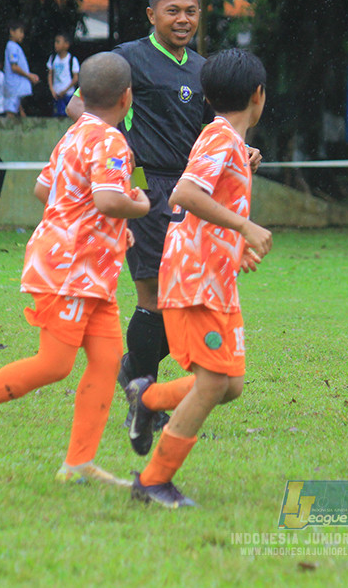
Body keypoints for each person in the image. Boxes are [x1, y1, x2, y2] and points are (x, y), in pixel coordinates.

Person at [0, 52, 150, 487]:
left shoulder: (73, 135)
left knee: (105, 362)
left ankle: (78, 463)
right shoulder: (110, 143)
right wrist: (139, 204)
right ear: (127, 98)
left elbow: (43, 187)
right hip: (71, 270)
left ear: (82, 95)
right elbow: (108, 199)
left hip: (94, 274)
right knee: (55, 364)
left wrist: (96, 218)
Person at [66, 0, 261, 409]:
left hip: (193, 189)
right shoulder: (128, 59)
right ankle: (145, 396)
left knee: (181, 302)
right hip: (146, 189)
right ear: (152, 14)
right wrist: (118, 145)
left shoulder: (203, 69)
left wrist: (240, 149)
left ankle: (134, 378)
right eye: (172, 11)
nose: (183, 19)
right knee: (154, 297)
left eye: (190, 11)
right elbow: (80, 105)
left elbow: (217, 127)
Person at [125, 48, 271, 508]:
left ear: (207, 96)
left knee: (230, 386)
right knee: (212, 384)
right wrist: (245, 227)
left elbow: (214, 200)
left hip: (216, 275)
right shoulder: (219, 138)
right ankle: (153, 480)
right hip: (195, 279)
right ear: (258, 96)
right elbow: (185, 193)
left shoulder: (229, 141)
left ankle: (146, 399)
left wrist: (236, 244)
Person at [4, 19, 39, 117]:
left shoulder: (14, 46)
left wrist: (29, 75)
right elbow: (14, 67)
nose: (22, 35)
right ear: (12, 32)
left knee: (16, 108)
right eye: (20, 32)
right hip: (14, 85)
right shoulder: (12, 47)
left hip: (16, 86)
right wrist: (28, 76)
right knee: (10, 112)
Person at [47, 34, 79, 117]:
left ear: (66, 45)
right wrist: (52, 90)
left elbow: (75, 78)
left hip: (68, 93)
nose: (55, 44)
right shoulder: (53, 58)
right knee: (57, 115)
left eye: (58, 42)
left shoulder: (72, 59)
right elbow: (50, 74)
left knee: (69, 116)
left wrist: (65, 91)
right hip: (56, 93)